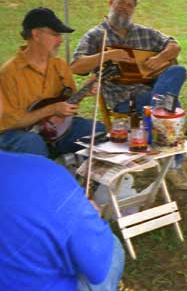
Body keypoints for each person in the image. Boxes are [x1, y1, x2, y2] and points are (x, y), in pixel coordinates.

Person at [0, 87, 124, 291]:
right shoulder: (45, 175)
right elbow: (97, 267)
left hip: (57, 131)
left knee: (95, 127)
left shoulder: (58, 66)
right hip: (26, 134)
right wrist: (85, 215)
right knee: (112, 247)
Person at [71, 0, 187, 190]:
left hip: (150, 92)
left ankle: (159, 108)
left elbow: (174, 45)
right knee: (169, 103)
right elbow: (76, 66)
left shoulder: (143, 33)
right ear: (110, 4)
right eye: (120, 4)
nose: (124, 9)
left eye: (129, 6)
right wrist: (107, 55)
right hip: (123, 100)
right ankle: (174, 164)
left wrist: (161, 57)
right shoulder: (96, 35)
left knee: (177, 71)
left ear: (134, 10)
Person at [0, 7, 105, 157]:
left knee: (97, 130)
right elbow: (9, 121)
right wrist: (51, 110)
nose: (61, 40)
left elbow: (67, 104)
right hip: (18, 133)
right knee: (32, 142)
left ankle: (82, 176)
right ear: (36, 34)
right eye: (55, 34)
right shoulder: (9, 73)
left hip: (55, 129)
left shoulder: (59, 65)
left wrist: (84, 92)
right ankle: (48, 175)